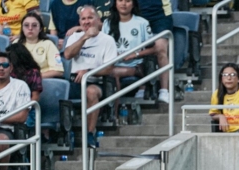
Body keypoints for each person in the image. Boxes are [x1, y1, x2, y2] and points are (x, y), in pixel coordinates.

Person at [64, 5, 118, 148]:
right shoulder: (74, 37)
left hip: (98, 81)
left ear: (98, 20)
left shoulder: (107, 40)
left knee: (91, 92)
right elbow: (68, 55)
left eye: (90, 18)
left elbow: (109, 68)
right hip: (74, 81)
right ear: (79, 21)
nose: (86, 21)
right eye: (83, 19)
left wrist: (89, 71)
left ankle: (89, 133)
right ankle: (60, 135)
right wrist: (85, 37)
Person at [102, 0, 154, 92]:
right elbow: (102, 47)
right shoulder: (107, 23)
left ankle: (113, 106)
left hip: (135, 65)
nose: (123, 4)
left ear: (133, 4)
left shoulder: (142, 23)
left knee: (112, 73)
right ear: (115, 3)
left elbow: (154, 49)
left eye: (128, 1)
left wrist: (134, 54)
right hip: (112, 64)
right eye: (120, 0)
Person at [137, 0, 171, 103]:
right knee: (139, 49)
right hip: (137, 13)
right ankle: (142, 87)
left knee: (160, 48)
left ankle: (164, 90)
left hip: (160, 14)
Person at [18, 12, 64, 79]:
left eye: (34, 25)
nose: (30, 28)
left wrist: (33, 77)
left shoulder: (48, 44)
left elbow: (58, 71)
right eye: (26, 25)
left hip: (42, 83)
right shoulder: (16, 44)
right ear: (22, 28)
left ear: (40, 28)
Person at [8, 43, 42, 129]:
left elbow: (35, 97)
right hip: (8, 106)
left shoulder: (34, 72)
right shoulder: (7, 72)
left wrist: (23, 109)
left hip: (27, 108)